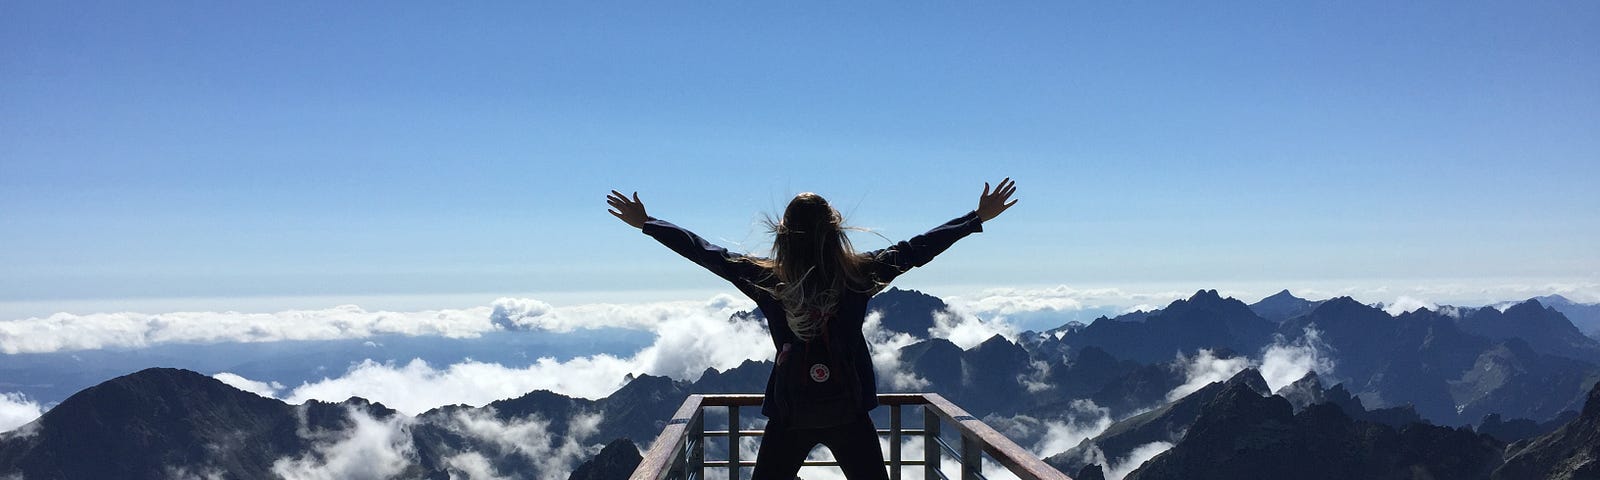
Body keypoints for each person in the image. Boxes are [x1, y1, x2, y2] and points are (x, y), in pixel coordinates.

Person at [605, 179, 1018, 480]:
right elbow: (915, 249)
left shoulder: (767, 279)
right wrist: (975, 218)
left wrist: (650, 223)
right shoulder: (859, 274)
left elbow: (708, 254)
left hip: (790, 413)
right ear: (835, 230)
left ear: (783, 233)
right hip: (849, 412)